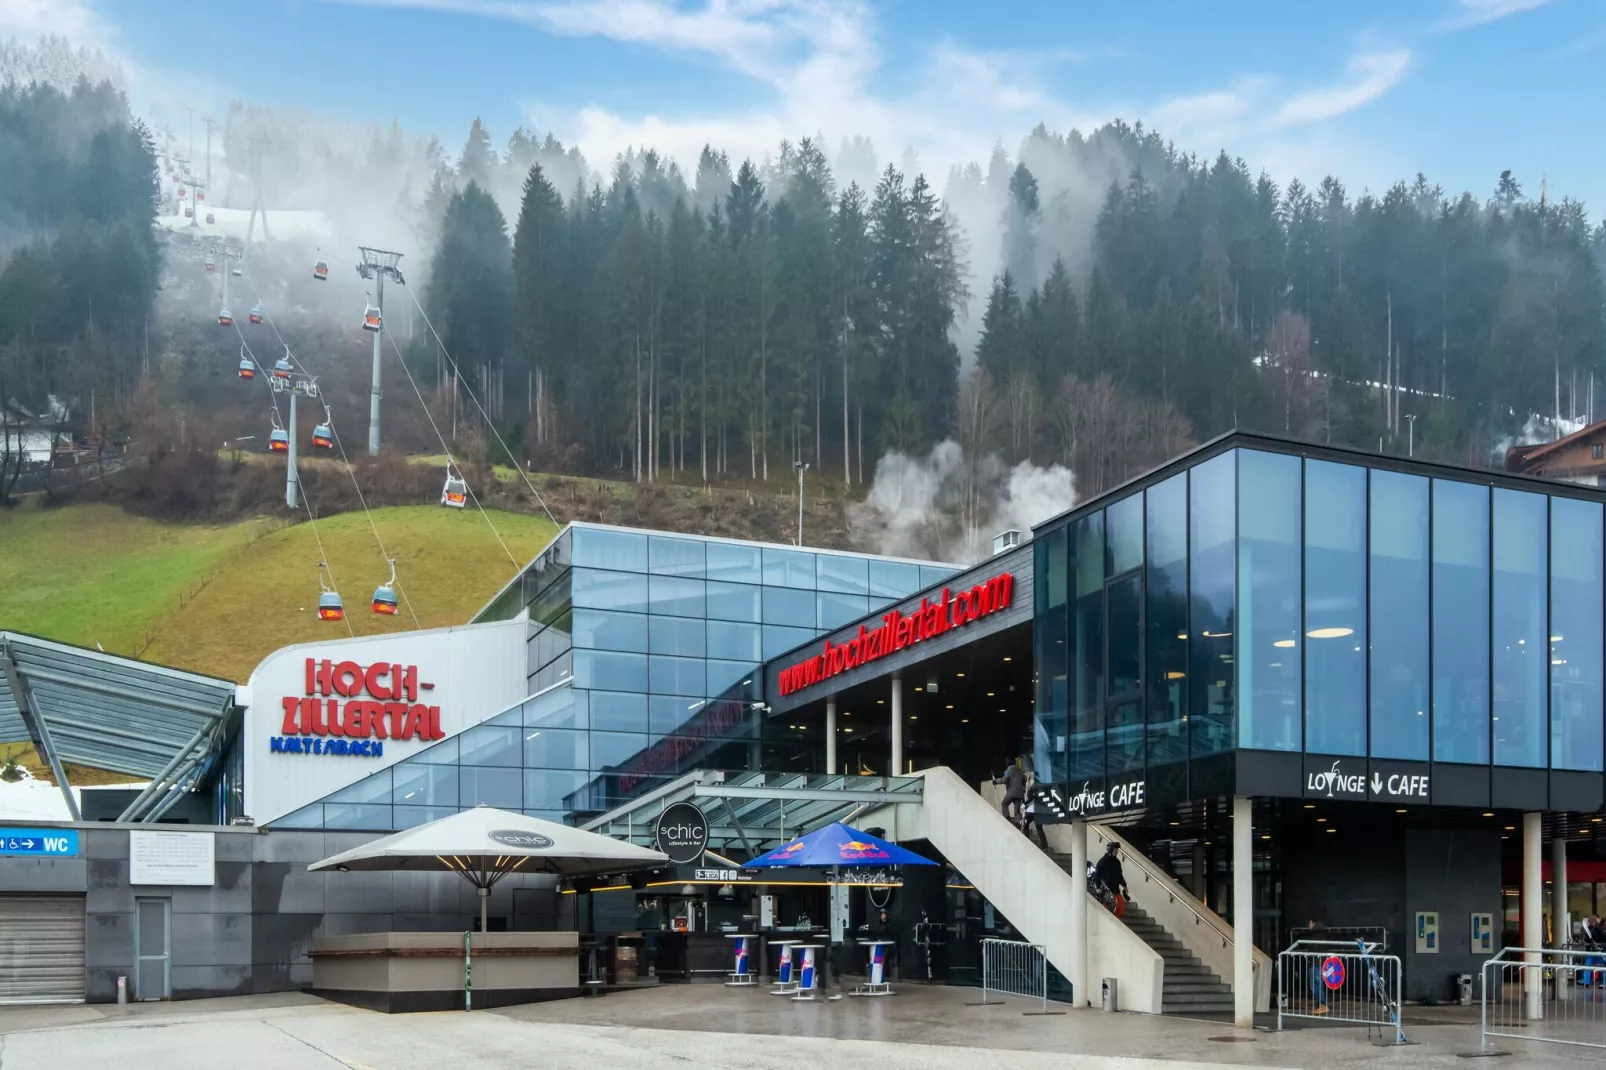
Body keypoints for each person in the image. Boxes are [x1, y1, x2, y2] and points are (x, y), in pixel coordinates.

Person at [1093, 841, 1128, 916]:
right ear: (1110, 850)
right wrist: (1098, 887)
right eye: (1115, 850)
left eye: (1117, 850)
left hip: (1116, 890)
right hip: (1106, 892)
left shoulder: (1117, 862)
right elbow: (1097, 875)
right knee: (1107, 911)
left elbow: (1119, 875)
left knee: (1120, 910)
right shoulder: (1102, 861)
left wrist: (1124, 885)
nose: (1117, 852)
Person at [1305, 918, 1330, 1015]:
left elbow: (1314, 946)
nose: (1308, 926)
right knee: (1318, 985)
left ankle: (1322, 1005)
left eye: (1309, 924)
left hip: (1317, 962)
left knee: (1317, 985)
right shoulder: (1322, 932)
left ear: (1311, 922)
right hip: (1319, 961)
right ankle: (1320, 1005)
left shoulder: (1315, 934)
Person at [994, 757, 1026, 823]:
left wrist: (996, 781)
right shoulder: (1019, 770)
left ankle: (1007, 820)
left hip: (1011, 792)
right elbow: (1025, 778)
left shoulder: (1008, 770)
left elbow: (1004, 780)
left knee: (1004, 804)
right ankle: (1021, 823)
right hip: (1020, 793)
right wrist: (1022, 785)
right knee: (1017, 811)